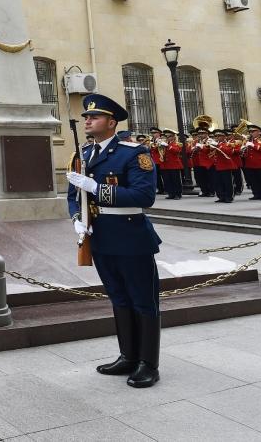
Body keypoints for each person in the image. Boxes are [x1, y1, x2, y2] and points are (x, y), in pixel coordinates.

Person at [66, 93, 161, 389]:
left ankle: (148, 363)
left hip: (131, 237)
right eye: (85, 117)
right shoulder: (85, 153)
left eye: (93, 117)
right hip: (100, 237)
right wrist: (77, 220)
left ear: (111, 122)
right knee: (119, 298)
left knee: (143, 301)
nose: (87, 121)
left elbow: (145, 196)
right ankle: (127, 356)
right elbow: (74, 195)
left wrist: (96, 187)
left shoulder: (133, 153)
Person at [157, 129, 183, 200]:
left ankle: (178, 194)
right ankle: (171, 193)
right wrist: (159, 144)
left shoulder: (177, 143)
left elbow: (177, 151)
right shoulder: (164, 143)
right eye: (167, 136)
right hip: (165, 165)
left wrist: (168, 146)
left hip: (174, 165)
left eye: (170, 136)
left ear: (174, 137)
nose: (168, 138)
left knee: (176, 180)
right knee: (167, 180)